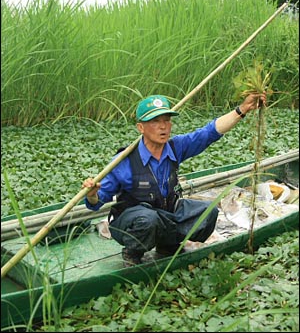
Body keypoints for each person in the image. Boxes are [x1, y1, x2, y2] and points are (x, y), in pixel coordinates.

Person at [82, 92, 266, 267]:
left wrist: (242, 109)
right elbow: (96, 203)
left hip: (166, 214)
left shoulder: (175, 147)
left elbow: (209, 133)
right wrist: (92, 194)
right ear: (141, 128)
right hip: (132, 222)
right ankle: (133, 251)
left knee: (208, 213)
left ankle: (168, 244)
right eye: (155, 121)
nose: (163, 127)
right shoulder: (124, 161)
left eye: (166, 121)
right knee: (148, 220)